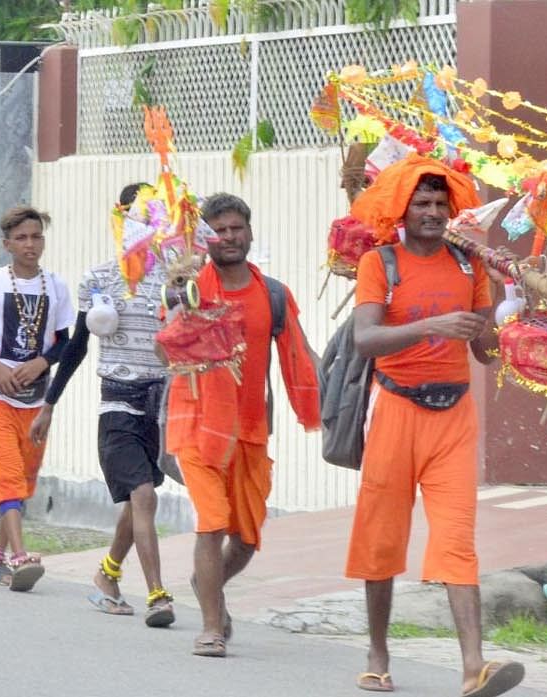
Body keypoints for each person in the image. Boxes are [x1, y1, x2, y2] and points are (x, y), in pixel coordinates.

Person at [344, 155, 524, 697]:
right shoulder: (381, 263)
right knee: (381, 538)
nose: (431, 212)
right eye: (421, 203)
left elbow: (486, 353)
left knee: (457, 539)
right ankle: (378, 655)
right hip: (395, 409)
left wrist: (506, 300)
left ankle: (474, 668)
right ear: (402, 209)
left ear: (452, 211)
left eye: (440, 204)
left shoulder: (468, 267)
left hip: (454, 416)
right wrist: (432, 325)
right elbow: (365, 340)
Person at [168, 193, 320, 656]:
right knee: (211, 524)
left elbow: (298, 353)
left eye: (237, 228)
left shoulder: (272, 294)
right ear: (206, 239)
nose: (230, 237)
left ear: (250, 233)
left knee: (248, 538)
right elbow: (164, 352)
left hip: (252, 428)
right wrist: (184, 310)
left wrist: (321, 406)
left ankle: (206, 581)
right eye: (219, 230)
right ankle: (212, 627)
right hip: (197, 427)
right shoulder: (186, 286)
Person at [31, 183, 174, 624]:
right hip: (118, 403)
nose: (144, 225)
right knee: (144, 497)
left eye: (152, 217)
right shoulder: (99, 279)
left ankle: (107, 574)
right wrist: (50, 403)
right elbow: (76, 347)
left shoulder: (177, 277)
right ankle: (158, 596)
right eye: (136, 216)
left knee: (136, 506)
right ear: (120, 220)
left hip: (161, 405)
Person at [0, 205, 74, 592]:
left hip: (36, 401)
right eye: (21, 238)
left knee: (23, 480)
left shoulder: (56, 287)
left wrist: (42, 361)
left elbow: (67, 344)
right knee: (6, 475)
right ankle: (20, 557)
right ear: (7, 244)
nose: (30, 244)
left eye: (36, 236)